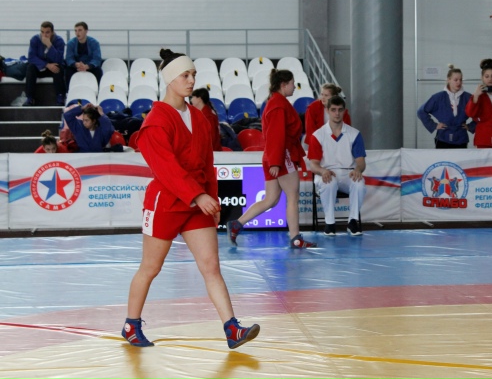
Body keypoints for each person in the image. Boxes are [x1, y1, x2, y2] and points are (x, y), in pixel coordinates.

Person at [122, 49, 259, 350]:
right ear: (170, 79)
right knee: (150, 268)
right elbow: (165, 168)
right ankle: (131, 325)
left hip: (197, 202)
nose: (192, 80)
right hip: (167, 202)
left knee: (211, 266)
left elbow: (207, 162)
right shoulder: (155, 121)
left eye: (193, 74)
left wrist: (212, 198)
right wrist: (198, 195)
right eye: (185, 75)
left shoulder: (198, 116)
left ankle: (232, 328)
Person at [226, 69, 317, 248]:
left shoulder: (276, 103)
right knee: (293, 196)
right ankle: (296, 238)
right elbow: (277, 135)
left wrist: (274, 160)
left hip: (274, 155)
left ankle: (237, 224)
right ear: (284, 84)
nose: (294, 87)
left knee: (271, 199)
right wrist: (276, 162)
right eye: (292, 83)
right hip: (281, 156)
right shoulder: (278, 105)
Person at [308, 96, 366, 236]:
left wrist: (358, 169)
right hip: (326, 172)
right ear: (327, 110)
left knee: (359, 183)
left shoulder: (354, 134)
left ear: (344, 111)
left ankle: (353, 221)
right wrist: (322, 171)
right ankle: (329, 223)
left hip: (348, 172)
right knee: (329, 182)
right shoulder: (318, 135)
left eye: (340, 110)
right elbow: (313, 165)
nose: (337, 113)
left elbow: (361, 162)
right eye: (333, 110)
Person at [417, 64, 476, 148]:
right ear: (449, 80)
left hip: (461, 138)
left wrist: (471, 126)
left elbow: (480, 114)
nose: (459, 82)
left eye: (460, 80)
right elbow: (421, 111)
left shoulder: (468, 97)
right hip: (443, 138)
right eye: (455, 80)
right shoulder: (438, 97)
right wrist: (434, 125)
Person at [24, 21, 66, 106]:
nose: (44, 35)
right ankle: (30, 98)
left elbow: (58, 59)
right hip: (40, 67)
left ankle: (60, 97)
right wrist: (46, 64)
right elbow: (31, 57)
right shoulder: (35, 39)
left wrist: (50, 45)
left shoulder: (59, 41)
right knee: (30, 67)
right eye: (42, 32)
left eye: (47, 32)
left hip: (53, 68)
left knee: (58, 68)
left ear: (52, 32)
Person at [65, 21, 103, 88]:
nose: (77, 33)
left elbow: (97, 58)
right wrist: (76, 64)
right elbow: (69, 58)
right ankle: (69, 91)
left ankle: (98, 90)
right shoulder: (71, 43)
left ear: (86, 31)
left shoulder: (94, 43)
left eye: (80, 30)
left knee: (98, 71)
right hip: (77, 67)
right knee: (68, 71)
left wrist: (87, 66)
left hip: (89, 66)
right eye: (75, 31)